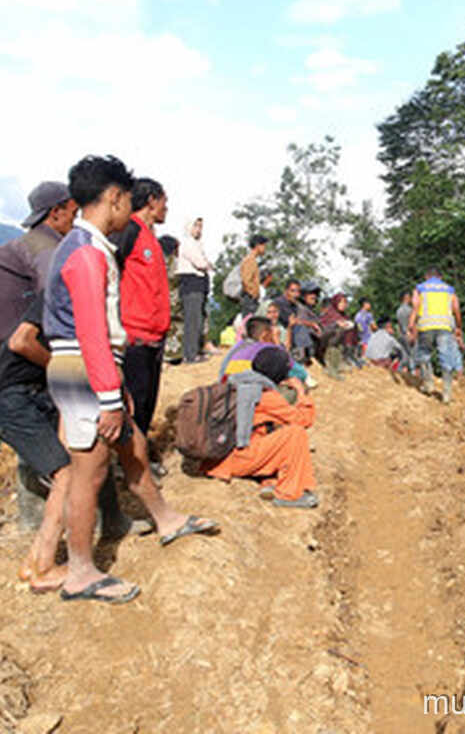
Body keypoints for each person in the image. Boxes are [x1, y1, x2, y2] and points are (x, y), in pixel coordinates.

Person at [45, 155, 217, 603]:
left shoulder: (91, 245)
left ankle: (167, 519)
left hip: (95, 366)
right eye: (126, 198)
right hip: (83, 366)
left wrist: (116, 387)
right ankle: (81, 572)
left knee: (134, 444)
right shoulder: (86, 253)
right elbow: (91, 331)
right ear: (115, 197)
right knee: (90, 472)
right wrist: (107, 397)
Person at [0, 297, 135, 592]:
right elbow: (21, 341)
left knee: (69, 466)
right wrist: (60, 367)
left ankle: (33, 561)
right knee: (66, 474)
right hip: (9, 398)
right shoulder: (61, 292)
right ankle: (44, 568)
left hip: (37, 394)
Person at [0, 181, 78, 365]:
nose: (77, 222)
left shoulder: (28, 241)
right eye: (74, 213)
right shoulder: (46, 246)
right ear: (55, 212)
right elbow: (56, 294)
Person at [110, 177, 171, 479]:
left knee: (146, 401)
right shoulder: (130, 230)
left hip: (155, 336)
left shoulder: (151, 238)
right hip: (134, 335)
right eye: (164, 201)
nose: (166, 207)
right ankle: (128, 463)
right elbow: (110, 269)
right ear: (151, 200)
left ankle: (138, 458)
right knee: (134, 402)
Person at [205, 346, 318, 508]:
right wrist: (301, 393)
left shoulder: (236, 382)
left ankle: (269, 481)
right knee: (295, 434)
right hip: (234, 460)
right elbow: (304, 420)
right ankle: (289, 495)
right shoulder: (265, 395)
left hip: (216, 456)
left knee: (268, 433)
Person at [408, 268, 464, 404]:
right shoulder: (449, 289)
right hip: (445, 326)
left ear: (426, 276)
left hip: (425, 325)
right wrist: (458, 327)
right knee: (446, 358)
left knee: (424, 354)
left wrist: (411, 324)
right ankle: (447, 394)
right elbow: (456, 308)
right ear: (441, 277)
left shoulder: (420, 288)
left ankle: (429, 385)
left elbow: (416, 306)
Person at [175, 217, 212, 364]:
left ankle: (195, 351)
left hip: (199, 284)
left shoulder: (197, 244)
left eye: (200, 226)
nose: (198, 229)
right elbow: (201, 263)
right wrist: (207, 264)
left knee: (198, 320)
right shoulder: (187, 243)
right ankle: (190, 354)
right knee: (192, 320)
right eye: (196, 226)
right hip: (191, 283)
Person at [319, 293, 355, 379]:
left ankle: (339, 362)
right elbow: (322, 327)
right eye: (341, 302)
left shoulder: (344, 315)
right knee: (338, 331)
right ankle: (330, 368)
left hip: (336, 342)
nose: (343, 304)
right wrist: (336, 324)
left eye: (345, 302)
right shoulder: (330, 313)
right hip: (324, 342)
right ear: (336, 302)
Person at [238, 234, 269, 317]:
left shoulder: (253, 260)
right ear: (257, 245)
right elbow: (246, 281)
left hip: (251, 299)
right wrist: (254, 295)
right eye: (263, 245)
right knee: (250, 322)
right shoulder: (250, 260)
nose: (265, 248)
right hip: (250, 300)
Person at [395, 291, 414, 370]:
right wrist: (410, 334)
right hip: (408, 335)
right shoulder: (410, 310)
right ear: (406, 298)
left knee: (404, 357)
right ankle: (413, 374)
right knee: (413, 356)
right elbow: (411, 324)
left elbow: (399, 325)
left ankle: (399, 371)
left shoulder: (398, 310)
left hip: (401, 335)